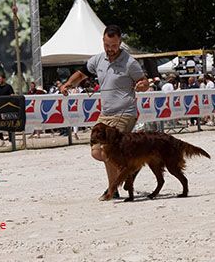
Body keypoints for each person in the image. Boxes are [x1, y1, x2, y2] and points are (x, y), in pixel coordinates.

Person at [59, 25, 149, 200]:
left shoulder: (130, 62)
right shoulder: (98, 60)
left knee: (107, 150)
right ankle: (132, 166)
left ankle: (112, 189)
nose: (110, 49)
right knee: (96, 151)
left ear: (120, 42)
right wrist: (68, 84)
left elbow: (144, 82)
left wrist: (142, 86)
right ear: (103, 41)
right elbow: (81, 73)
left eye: (114, 45)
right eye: (107, 45)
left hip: (125, 112)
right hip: (105, 113)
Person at [0, 73, 15, 146]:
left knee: (9, 124)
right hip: (0, 108)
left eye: (0, 79)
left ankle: (11, 140)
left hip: (8, 108)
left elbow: (12, 95)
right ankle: (1, 139)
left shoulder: (8, 87)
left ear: (4, 79)